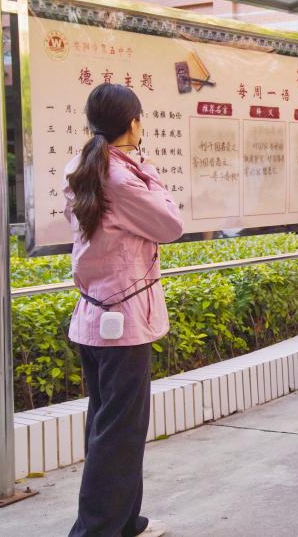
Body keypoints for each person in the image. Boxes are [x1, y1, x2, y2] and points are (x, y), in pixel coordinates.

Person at [64, 84, 183, 537]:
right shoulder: (122, 176)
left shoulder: (83, 167)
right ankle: (95, 531)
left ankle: (126, 521)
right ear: (133, 124)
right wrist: (147, 168)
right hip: (124, 323)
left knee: (109, 426)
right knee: (119, 434)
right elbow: (170, 224)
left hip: (93, 318)